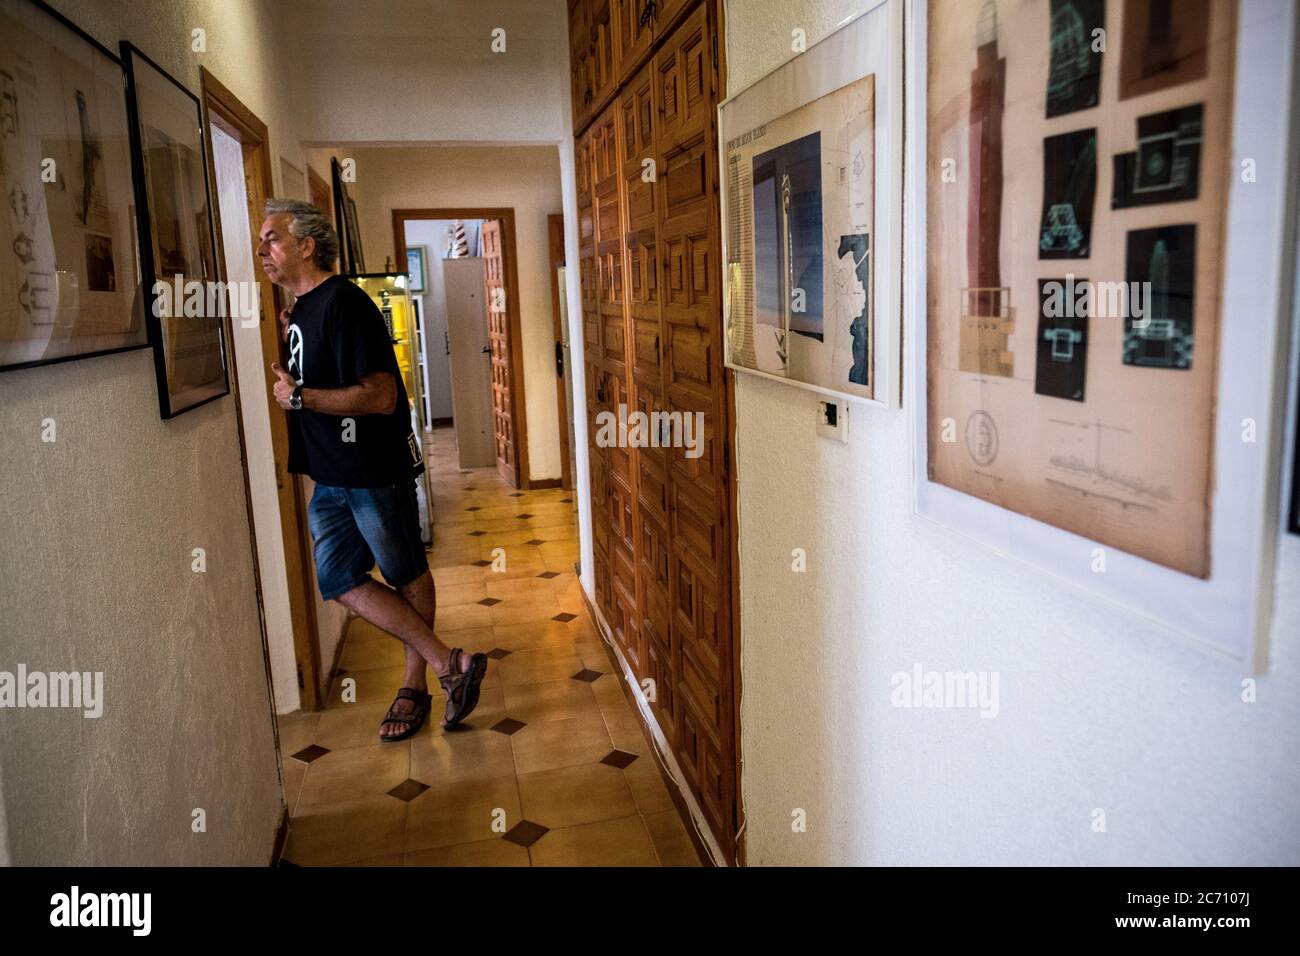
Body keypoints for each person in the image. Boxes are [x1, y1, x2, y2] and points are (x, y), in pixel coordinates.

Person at [257, 198, 486, 741]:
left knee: (405, 575)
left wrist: (301, 398)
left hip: (370, 470)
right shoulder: (306, 308)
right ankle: (448, 663)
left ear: (306, 245)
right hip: (331, 475)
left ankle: (416, 685)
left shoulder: (346, 303)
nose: (262, 250)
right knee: (337, 579)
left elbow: (381, 396)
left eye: (272, 238)